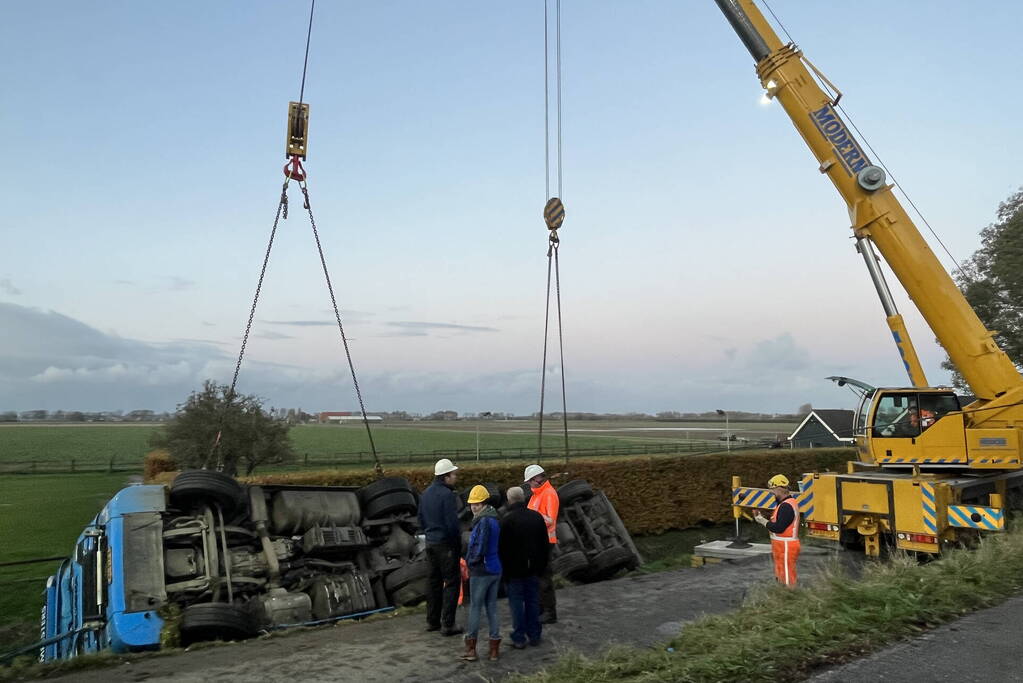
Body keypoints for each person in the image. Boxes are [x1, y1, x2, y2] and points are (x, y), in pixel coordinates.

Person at [498, 486, 550, 649]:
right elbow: (544, 544)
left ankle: (519, 637)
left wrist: (504, 573)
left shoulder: (506, 520)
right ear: (523, 498)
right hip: (533, 568)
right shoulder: (536, 517)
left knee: (516, 604)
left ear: (509, 500)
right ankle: (534, 635)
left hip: (514, 571)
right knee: (533, 602)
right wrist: (541, 567)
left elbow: (502, 549)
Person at [418, 458, 463, 636]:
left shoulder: (425, 494)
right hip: (446, 544)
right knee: (451, 582)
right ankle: (448, 624)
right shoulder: (447, 495)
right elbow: (452, 524)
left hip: (430, 542)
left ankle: (432, 621)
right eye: (454, 474)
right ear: (446, 477)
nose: (456, 477)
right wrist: (456, 544)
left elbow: (420, 518)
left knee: (433, 582)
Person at [460, 485, 503, 662]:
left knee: (475, 608)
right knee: (492, 608)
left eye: (477, 504)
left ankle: (471, 649)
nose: (473, 507)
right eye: (471, 504)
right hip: (495, 569)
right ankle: (494, 649)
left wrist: (470, 561)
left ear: (484, 503)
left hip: (481, 571)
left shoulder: (483, 521)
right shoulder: (494, 518)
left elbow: (480, 547)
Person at [524, 464, 559, 623]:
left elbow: (550, 520)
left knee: (544, 579)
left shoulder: (549, 494)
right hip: (536, 542)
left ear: (537, 479)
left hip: (545, 542)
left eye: (530, 481)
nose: (529, 484)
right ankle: (540, 609)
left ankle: (550, 613)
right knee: (537, 578)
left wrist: (532, 518)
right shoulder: (535, 495)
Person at [754, 474, 800, 587]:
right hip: (782, 545)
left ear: (781, 488)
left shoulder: (786, 506)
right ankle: (783, 595)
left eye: (773, 489)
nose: (771, 492)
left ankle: (790, 597)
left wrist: (761, 520)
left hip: (786, 545)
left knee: (787, 575)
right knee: (781, 573)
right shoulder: (783, 504)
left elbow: (779, 528)